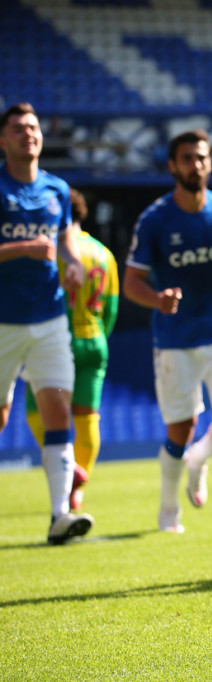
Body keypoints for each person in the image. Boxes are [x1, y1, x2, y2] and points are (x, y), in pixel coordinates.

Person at [124, 129, 212, 534]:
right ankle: (168, 511)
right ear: (172, 165)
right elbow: (131, 282)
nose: (195, 165)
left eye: (201, 158)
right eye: (187, 158)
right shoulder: (155, 219)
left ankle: (200, 459)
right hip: (175, 341)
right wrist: (157, 299)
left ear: (209, 162)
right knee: (179, 429)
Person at [0, 102, 91, 544]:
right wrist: (22, 250)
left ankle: (60, 515)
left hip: (51, 319)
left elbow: (65, 241)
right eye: (18, 129)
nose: (28, 134)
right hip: (2, 322)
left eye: (33, 128)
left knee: (58, 410)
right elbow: (37, 247)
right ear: (3, 140)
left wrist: (72, 265)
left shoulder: (57, 189)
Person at [24, 188, 119, 511]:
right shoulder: (104, 254)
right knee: (88, 416)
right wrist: (98, 337)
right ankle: (79, 483)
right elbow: (112, 308)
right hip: (93, 340)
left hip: (52, 340)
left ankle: (70, 471)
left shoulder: (53, 251)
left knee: (38, 411)